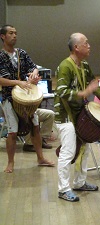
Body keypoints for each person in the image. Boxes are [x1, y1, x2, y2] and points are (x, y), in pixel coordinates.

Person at [54, 33, 100, 202]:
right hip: (65, 114)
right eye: (86, 43)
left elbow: (93, 83)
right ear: (76, 47)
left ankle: (79, 182)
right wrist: (84, 93)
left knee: (84, 148)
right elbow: (61, 91)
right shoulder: (65, 66)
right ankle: (63, 189)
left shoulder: (84, 65)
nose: (89, 46)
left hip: (79, 113)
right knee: (68, 151)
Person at [0, 24, 54, 173]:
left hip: (26, 96)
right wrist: (17, 82)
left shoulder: (22, 53)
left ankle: (40, 158)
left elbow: (33, 67)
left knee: (35, 127)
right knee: (12, 131)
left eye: (16, 33)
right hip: (9, 98)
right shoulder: (0, 56)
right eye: (11, 33)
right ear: (3, 37)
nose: (14, 35)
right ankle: (10, 162)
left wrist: (34, 74)